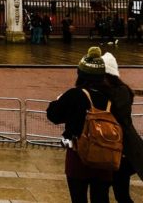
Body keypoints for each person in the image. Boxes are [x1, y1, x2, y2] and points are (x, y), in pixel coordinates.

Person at [48, 47, 124, 203]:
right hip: (105, 156)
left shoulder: (75, 94)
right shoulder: (112, 98)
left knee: (78, 198)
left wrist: (59, 100)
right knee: (101, 198)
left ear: (80, 74)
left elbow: (53, 115)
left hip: (79, 156)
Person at [102, 53, 143, 203]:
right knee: (120, 192)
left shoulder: (118, 92)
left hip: (122, 151)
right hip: (122, 151)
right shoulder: (121, 90)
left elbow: (118, 114)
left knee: (114, 192)